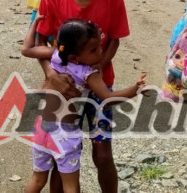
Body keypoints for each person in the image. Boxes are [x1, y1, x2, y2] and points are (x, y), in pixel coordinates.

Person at [35, 0, 129, 193]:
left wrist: (98, 66)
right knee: (59, 156)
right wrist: (51, 75)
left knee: (102, 154)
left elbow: (114, 39)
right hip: (64, 90)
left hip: (99, 89)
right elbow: (40, 43)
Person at [22, 18, 145, 193]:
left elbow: (27, 49)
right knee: (71, 186)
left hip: (42, 128)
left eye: (100, 46)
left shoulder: (57, 55)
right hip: (65, 134)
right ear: (75, 57)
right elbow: (108, 97)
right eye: (94, 50)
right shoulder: (88, 73)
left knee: (37, 179)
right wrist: (135, 89)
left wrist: (35, 23)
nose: (100, 52)